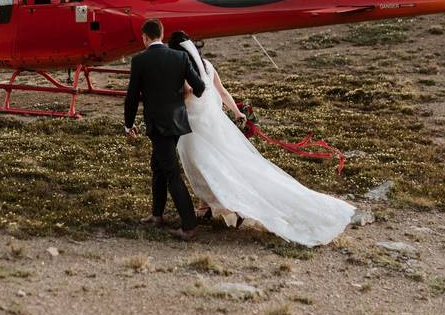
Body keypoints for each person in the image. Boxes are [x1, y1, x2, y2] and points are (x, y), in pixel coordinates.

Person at [168, 30, 354, 246]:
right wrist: (237, 113)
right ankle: (205, 207)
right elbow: (222, 91)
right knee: (216, 164)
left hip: (195, 125)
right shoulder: (207, 65)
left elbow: (189, 92)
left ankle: (233, 207)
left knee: (203, 166)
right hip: (215, 123)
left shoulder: (182, 68)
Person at [124, 19, 206, 240]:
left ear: (145, 37)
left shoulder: (140, 60)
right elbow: (199, 87)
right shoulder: (179, 57)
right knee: (158, 167)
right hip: (177, 122)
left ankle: (189, 226)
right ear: (161, 34)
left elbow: (132, 96)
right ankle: (157, 215)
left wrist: (128, 124)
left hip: (158, 125)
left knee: (171, 173)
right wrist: (178, 95)